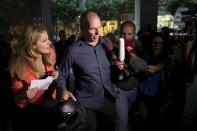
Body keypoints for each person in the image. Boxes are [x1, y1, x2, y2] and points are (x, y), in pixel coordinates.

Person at [57, 10, 123, 131]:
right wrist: (63, 90)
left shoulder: (106, 42)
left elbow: (113, 67)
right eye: (93, 29)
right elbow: (61, 73)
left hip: (107, 100)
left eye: (99, 27)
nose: (98, 32)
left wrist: (118, 66)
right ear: (82, 29)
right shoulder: (73, 50)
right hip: (86, 103)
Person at [9, 25, 59, 131]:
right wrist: (24, 95)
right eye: (45, 41)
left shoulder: (51, 53)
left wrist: (56, 75)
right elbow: (16, 96)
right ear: (33, 45)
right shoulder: (18, 65)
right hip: (31, 110)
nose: (49, 42)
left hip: (50, 103)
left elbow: (54, 70)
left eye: (48, 39)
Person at [114, 21, 146, 131]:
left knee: (130, 119)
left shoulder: (139, 47)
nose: (126, 37)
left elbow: (144, 68)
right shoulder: (115, 48)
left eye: (129, 34)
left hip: (135, 90)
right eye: (123, 34)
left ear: (134, 33)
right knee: (121, 121)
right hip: (120, 90)